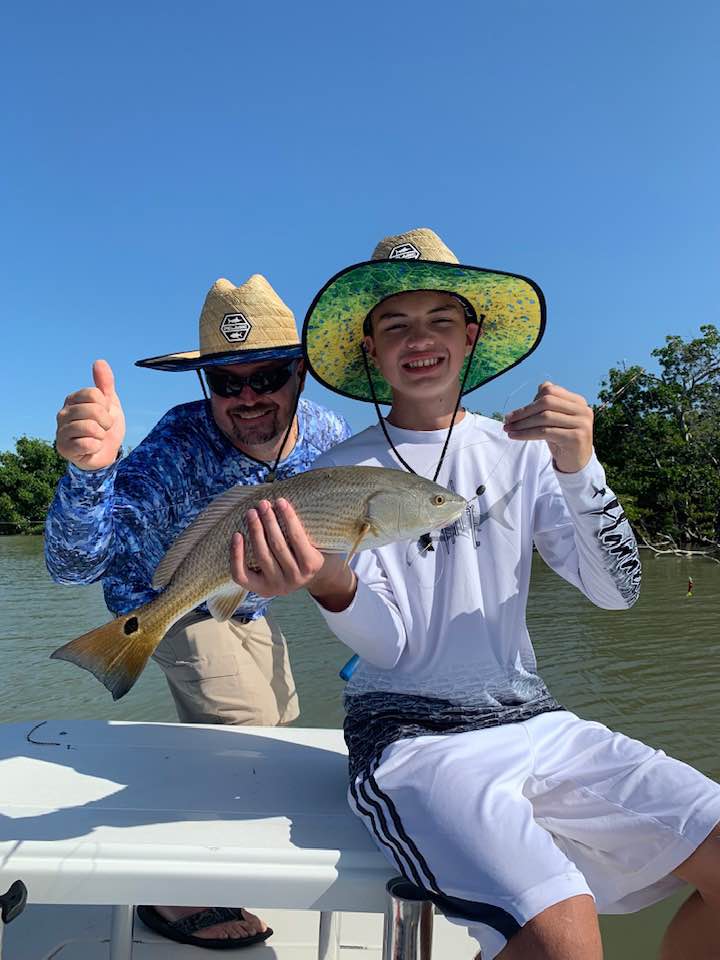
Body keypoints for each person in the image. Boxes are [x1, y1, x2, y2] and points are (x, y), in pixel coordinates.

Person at [228, 229, 720, 960]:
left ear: (472, 335)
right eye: (395, 324)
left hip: (535, 716)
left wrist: (582, 467)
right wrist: (329, 582)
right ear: (371, 348)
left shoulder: (524, 452)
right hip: (411, 740)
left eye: (439, 320)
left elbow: (616, 592)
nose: (417, 340)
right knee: (566, 939)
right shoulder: (337, 472)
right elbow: (390, 645)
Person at [45, 273, 350, 950]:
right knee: (239, 731)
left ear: (300, 373)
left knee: (282, 725)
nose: (246, 398)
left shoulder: (330, 435)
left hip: (250, 606)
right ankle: (172, 891)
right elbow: (73, 567)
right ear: (205, 384)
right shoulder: (176, 446)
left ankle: (217, 839)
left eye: (266, 375)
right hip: (163, 600)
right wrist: (89, 473)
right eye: (225, 381)